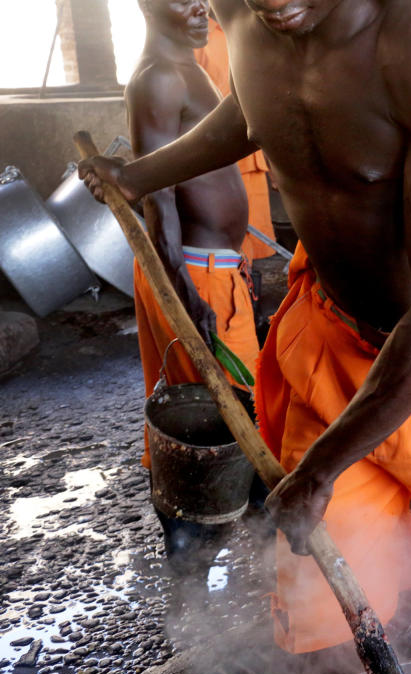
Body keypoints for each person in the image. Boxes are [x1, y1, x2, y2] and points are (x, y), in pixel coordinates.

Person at [80, 0, 411, 655]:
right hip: (330, 345)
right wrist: (140, 173)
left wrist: (317, 472)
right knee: (329, 630)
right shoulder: (246, 16)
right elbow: (254, 110)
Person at [124, 0, 260, 562]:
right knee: (227, 416)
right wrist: (185, 294)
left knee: (224, 411)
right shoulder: (157, 79)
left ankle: (206, 552)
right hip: (197, 276)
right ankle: (191, 566)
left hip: (214, 271)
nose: (201, 5)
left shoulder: (189, 67)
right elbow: (158, 197)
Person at [193, 11, 277, 262]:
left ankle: (251, 288)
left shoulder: (249, 29)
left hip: (253, 145)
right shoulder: (198, 37)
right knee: (230, 235)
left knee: (258, 232)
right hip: (217, 150)